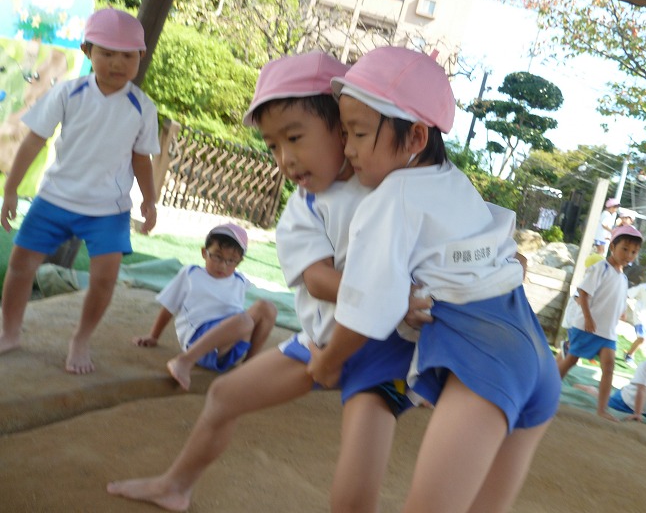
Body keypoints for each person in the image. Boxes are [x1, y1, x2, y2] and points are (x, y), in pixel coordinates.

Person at [107, 51, 421, 513]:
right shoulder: (303, 210)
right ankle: (175, 486)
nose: (285, 159)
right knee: (224, 395)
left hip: (387, 351)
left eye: (294, 138)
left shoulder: (396, 181)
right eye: (273, 146)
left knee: (358, 469)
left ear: (346, 125)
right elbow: (317, 280)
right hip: (321, 341)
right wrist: (392, 296)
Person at [307, 46, 561, 513]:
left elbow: (367, 308)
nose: (348, 148)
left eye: (359, 133)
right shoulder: (456, 183)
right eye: (345, 134)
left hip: (486, 366)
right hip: (536, 359)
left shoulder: (390, 199)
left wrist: (327, 362)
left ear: (416, 136)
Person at [0, 8, 159, 374]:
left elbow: (142, 160)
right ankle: (9, 331)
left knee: (105, 280)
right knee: (21, 265)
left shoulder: (143, 107)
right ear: (88, 51)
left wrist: (150, 201)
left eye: (127, 55)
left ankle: (81, 338)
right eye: (107, 53)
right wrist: (10, 190)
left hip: (108, 210)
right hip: (54, 199)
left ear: (140, 56)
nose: (117, 63)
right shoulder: (68, 92)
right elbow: (33, 141)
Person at [133, 223, 277, 390]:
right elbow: (169, 306)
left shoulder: (240, 281)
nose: (222, 265)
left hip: (229, 345)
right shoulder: (191, 274)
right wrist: (153, 336)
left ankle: (248, 365)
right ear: (204, 252)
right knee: (244, 321)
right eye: (217, 257)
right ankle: (184, 360)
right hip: (198, 341)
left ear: (239, 262)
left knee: (267, 308)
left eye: (231, 261)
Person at [558, 224, 643, 421]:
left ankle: (602, 409)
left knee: (609, 367)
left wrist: (621, 312)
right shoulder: (600, 268)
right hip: (586, 327)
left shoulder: (623, 278)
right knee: (571, 360)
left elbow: (617, 300)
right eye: (625, 249)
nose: (629, 255)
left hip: (607, 332)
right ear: (612, 246)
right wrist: (588, 318)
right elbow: (583, 293)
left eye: (633, 252)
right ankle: (547, 391)